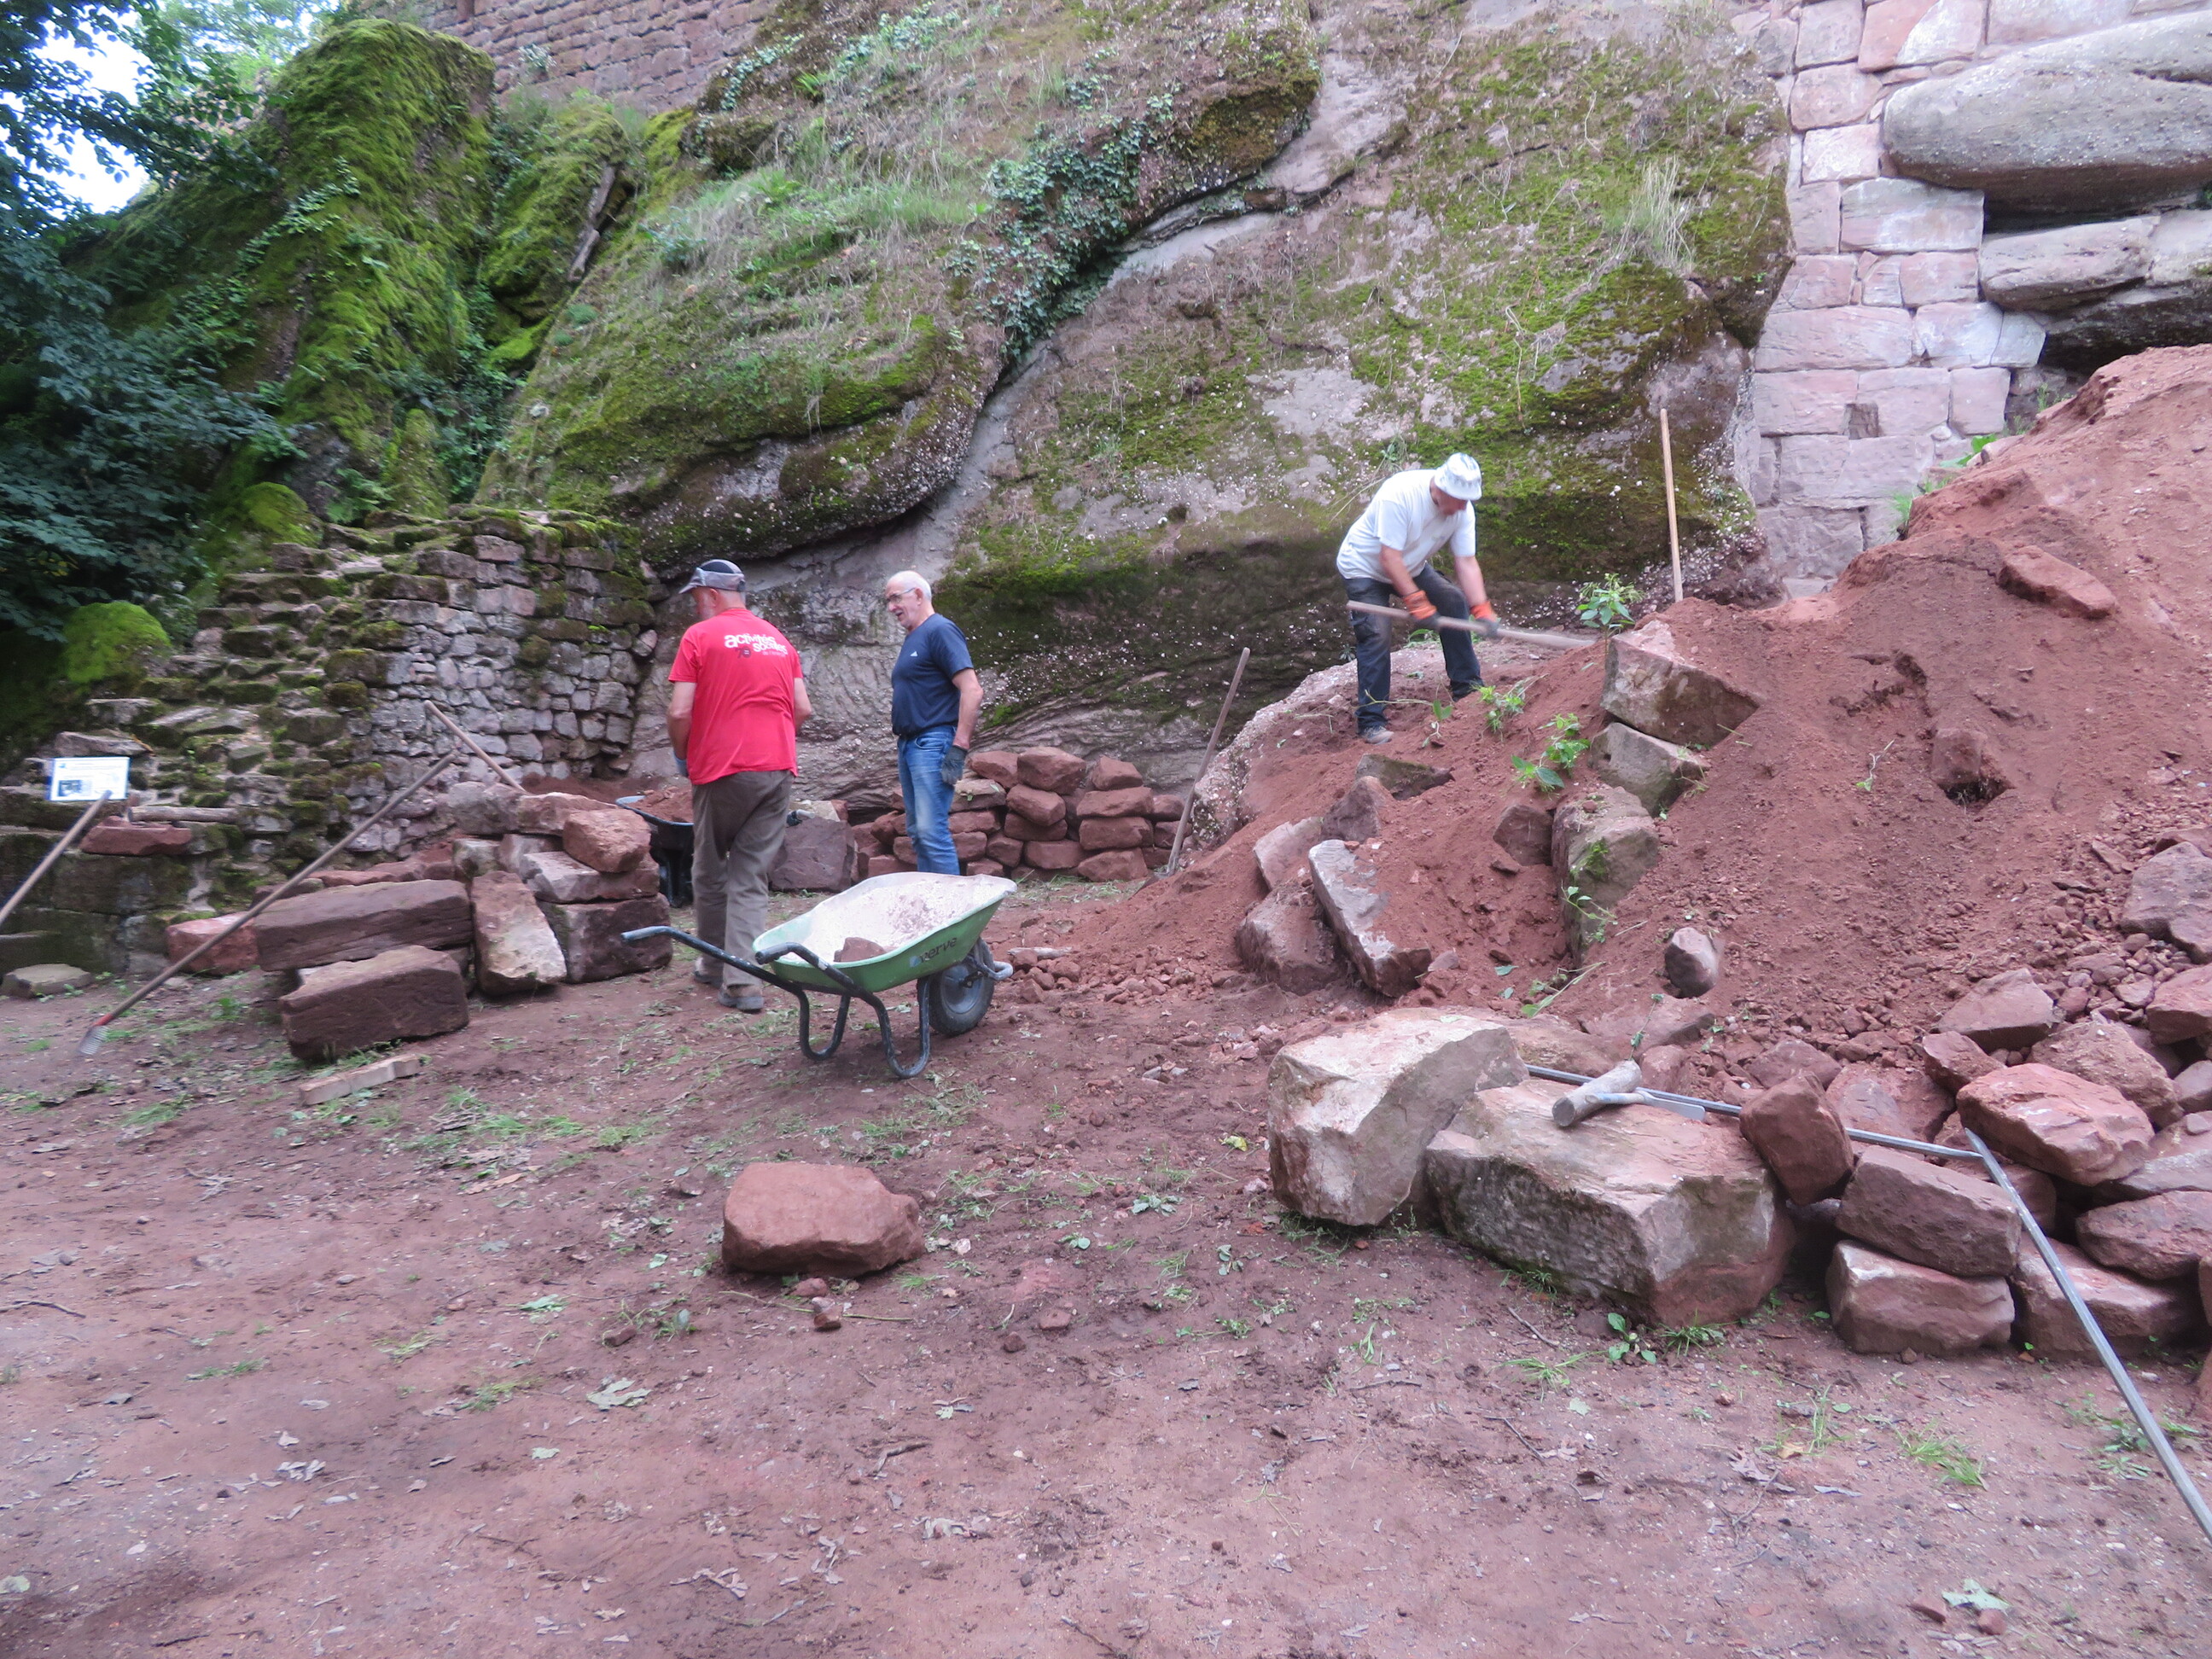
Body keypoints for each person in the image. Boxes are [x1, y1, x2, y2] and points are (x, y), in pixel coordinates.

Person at [666, 559, 811, 1011]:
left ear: (711, 595)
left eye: (696, 599)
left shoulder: (700, 636)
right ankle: (744, 983)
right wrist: (771, 740)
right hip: (777, 768)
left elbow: (679, 711)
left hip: (722, 768)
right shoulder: (778, 639)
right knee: (750, 875)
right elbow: (802, 708)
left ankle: (713, 965)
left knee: (710, 867)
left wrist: (683, 754)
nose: (695, 607)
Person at [1336, 451, 1499, 744]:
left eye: (1467, 501)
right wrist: (1416, 602)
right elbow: (1389, 557)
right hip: (1364, 567)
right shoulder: (1400, 494)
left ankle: (1468, 688)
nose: (1464, 507)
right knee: (1376, 634)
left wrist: (1481, 608)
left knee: (1453, 602)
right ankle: (1371, 721)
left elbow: (1466, 561)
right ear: (1441, 489)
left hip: (1410, 565)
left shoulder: (1462, 511)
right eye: (1460, 500)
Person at [882, 569, 981, 875]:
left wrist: (959, 747)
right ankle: (932, 899)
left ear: (918, 595)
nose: (891, 607)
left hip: (932, 742)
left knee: (930, 831)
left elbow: (972, 690)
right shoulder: (916, 636)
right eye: (887, 601)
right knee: (918, 832)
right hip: (910, 745)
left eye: (895, 598)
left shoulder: (940, 630)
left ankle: (951, 902)